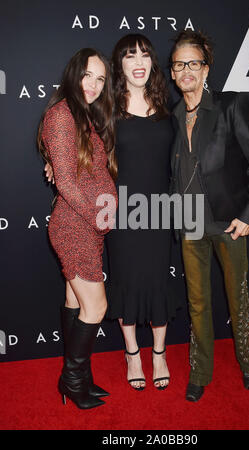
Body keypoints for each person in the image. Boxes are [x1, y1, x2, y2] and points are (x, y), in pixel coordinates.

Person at [169, 30, 249, 401]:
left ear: (206, 68)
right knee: (197, 302)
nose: (186, 70)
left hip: (229, 222)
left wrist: (248, 214)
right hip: (190, 223)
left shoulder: (229, 105)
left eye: (193, 62)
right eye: (179, 64)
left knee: (238, 298)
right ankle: (200, 371)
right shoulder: (174, 115)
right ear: (173, 72)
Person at [38, 48, 118, 409]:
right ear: (74, 74)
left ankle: (78, 378)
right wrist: (97, 219)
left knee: (75, 301)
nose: (94, 84)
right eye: (88, 75)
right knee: (96, 307)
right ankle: (71, 380)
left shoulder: (82, 115)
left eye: (101, 79)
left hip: (86, 225)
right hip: (75, 225)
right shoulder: (61, 115)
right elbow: (68, 185)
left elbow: (74, 168)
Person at [105, 34, 182, 391]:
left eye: (145, 54)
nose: (139, 61)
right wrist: (54, 164)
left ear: (153, 62)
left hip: (160, 211)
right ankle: (133, 354)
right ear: (119, 65)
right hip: (120, 212)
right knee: (126, 282)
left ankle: (160, 353)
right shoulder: (106, 108)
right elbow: (76, 143)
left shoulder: (168, 106)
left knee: (156, 281)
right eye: (130, 55)